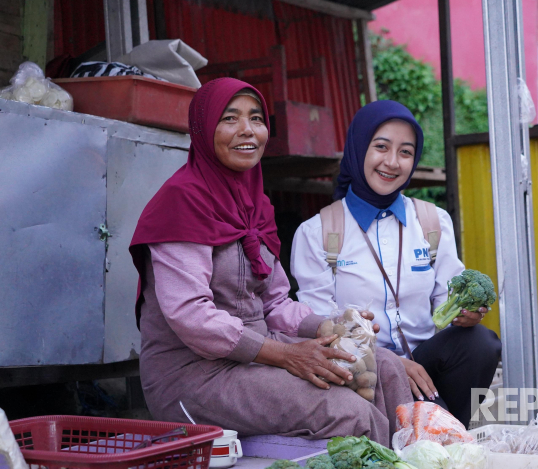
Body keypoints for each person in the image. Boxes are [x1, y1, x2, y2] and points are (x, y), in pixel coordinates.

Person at [129, 78, 412, 445]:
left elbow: (275, 302)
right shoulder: (182, 201)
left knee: (386, 366)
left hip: (257, 357)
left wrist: (334, 325)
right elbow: (191, 316)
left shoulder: (255, 204)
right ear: (202, 130)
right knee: (347, 410)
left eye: (256, 119)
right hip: (194, 375)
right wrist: (285, 354)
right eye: (230, 119)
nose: (248, 130)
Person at [291, 100, 501, 428]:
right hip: (361, 370)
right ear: (359, 148)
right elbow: (323, 327)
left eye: (405, 152)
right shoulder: (317, 233)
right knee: (434, 434)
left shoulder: (432, 220)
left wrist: (462, 311)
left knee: (481, 344)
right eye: (381, 147)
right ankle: (438, 436)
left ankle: (438, 433)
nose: (392, 162)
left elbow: (447, 293)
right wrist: (391, 363)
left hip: (427, 362)